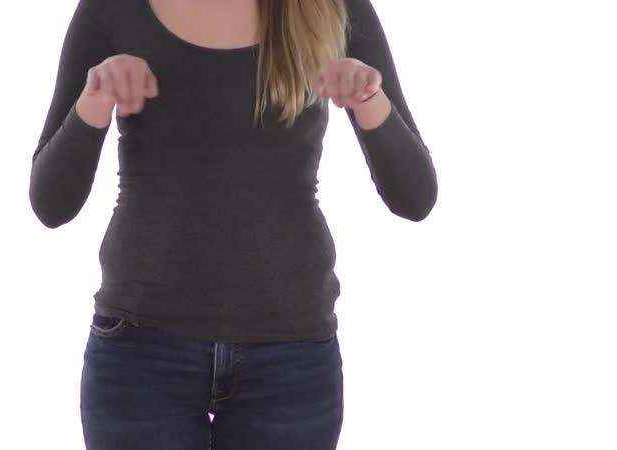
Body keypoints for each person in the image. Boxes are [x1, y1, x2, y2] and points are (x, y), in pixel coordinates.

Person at [29, 0, 438, 448]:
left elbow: (415, 197)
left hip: (290, 355)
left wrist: (369, 99)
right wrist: (94, 99)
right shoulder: (112, 9)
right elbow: (51, 204)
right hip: (141, 350)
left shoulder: (334, 7)